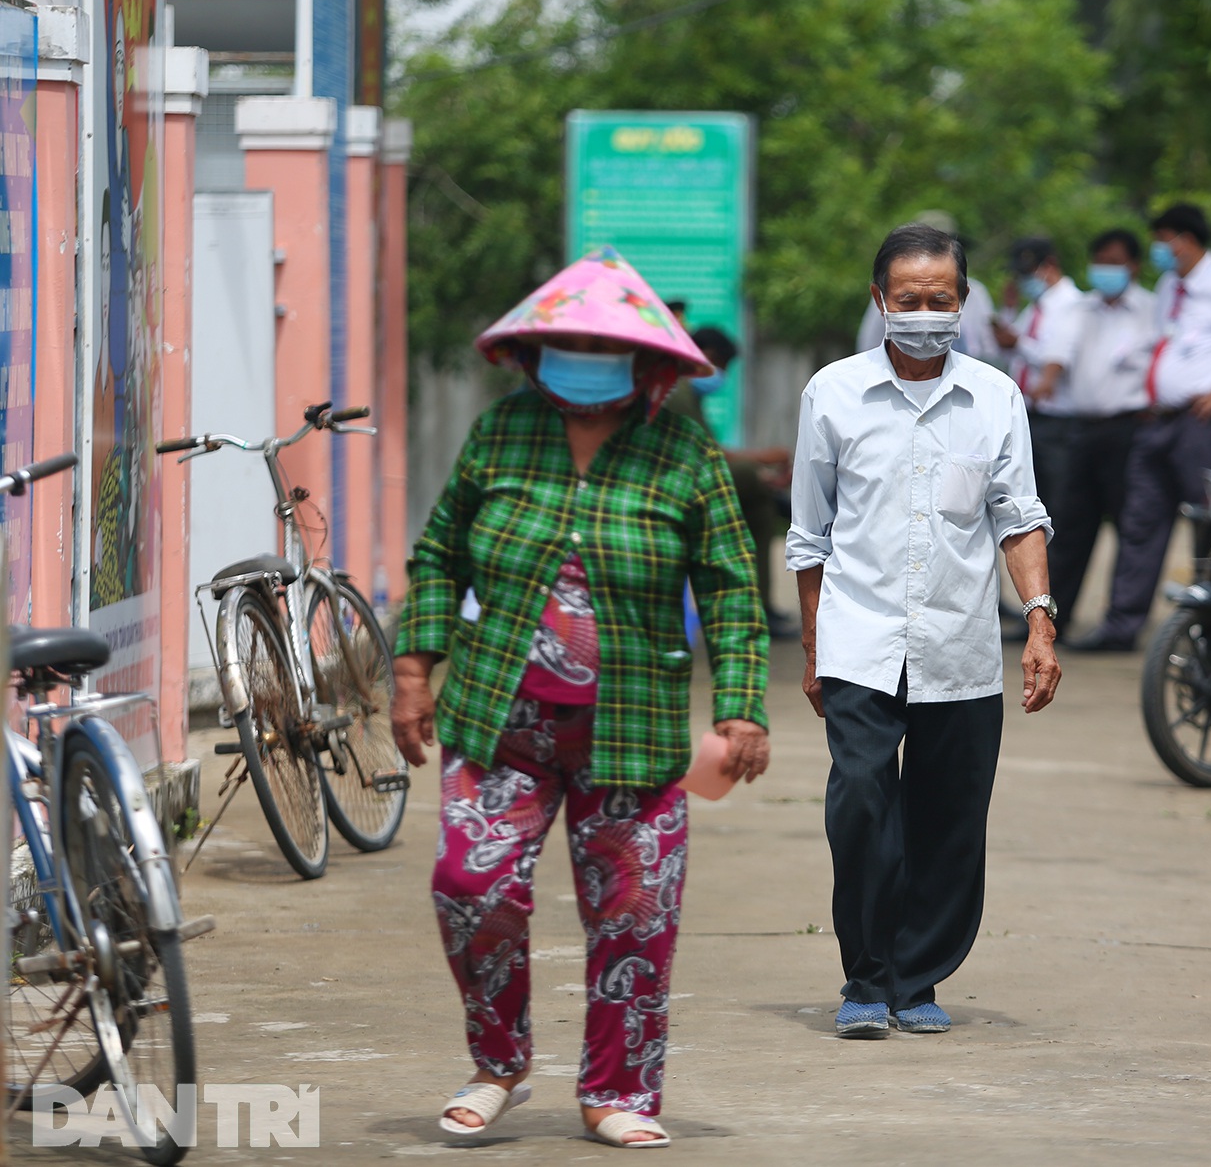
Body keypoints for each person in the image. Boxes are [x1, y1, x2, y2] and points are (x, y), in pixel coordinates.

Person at [392, 246, 771, 1148]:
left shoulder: (684, 448)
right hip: (501, 719)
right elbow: (440, 554)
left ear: (647, 361)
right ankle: (499, 1064)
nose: (585, 361)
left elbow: (729, 584)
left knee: (635, 912)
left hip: (632, 726)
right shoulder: (501, 432)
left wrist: (742, 703)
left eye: (606, 346)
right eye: (569, 343)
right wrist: (414, 669)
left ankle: (617, 1092)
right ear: (533, 351)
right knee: (468, 885)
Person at [788, 223, 1062, 1040]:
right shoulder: (831, 394)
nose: (922, 314)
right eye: (907, 301)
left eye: (938, 301)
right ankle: (865, 978)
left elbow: (1019, 518)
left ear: (963, 302)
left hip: (960, 644)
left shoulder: (994, 397)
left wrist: (1040, 622)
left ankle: (918, 977)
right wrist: (812, 650)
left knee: (950, 819)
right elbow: (810, 536)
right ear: (880, 301)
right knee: (863, 804)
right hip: (859, 638)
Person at [1072, 204, 1211, 652]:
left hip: (1200, 423)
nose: (1158, 249)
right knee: (1140, 521)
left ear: (1187, 240)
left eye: (1163, 240)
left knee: (1207, 524)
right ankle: (1121, 626)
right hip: (1157, 422)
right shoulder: (1171, 286)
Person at [1048, 229, 1158, 639]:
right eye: (1100, 261)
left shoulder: (1151, 309)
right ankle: (1052, 617)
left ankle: (1121, 624)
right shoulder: (1081, 309)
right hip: (1083, 429)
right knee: (1070, 526)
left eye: (1114, 261)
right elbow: (1057, 356)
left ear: (1133, 265)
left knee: (1131, 530)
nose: (1105, 270)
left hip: (1129, 429)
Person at [666, 325, 799, 639]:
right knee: (752, 481)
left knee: (758, 498)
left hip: (687, 475)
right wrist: (763, 461)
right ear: (709, 357)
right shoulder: (678, 390)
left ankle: (758, 606)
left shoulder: (683, 389)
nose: (721, 375)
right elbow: (710, 455)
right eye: (722, 366)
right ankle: (757, 606)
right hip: (673, 480)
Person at [990, 236, 1085, 515]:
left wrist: (1017, 343)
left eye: (1027, 273)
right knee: (1030, 496)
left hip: (1058, 417)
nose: (1022, 280)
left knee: (1056, 499)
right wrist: (1007, 312)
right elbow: (1010, 352)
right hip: (1030, 414)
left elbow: (1055, 359)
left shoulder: (1073, 304)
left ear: (1050, 265)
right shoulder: (1035, 307)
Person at [854, 211, 1003, 365]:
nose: (925, 313)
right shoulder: (891, 294)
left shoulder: (977, 293)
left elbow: (989, 348)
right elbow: (868, 344)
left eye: (940, 302)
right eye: (909, 301)